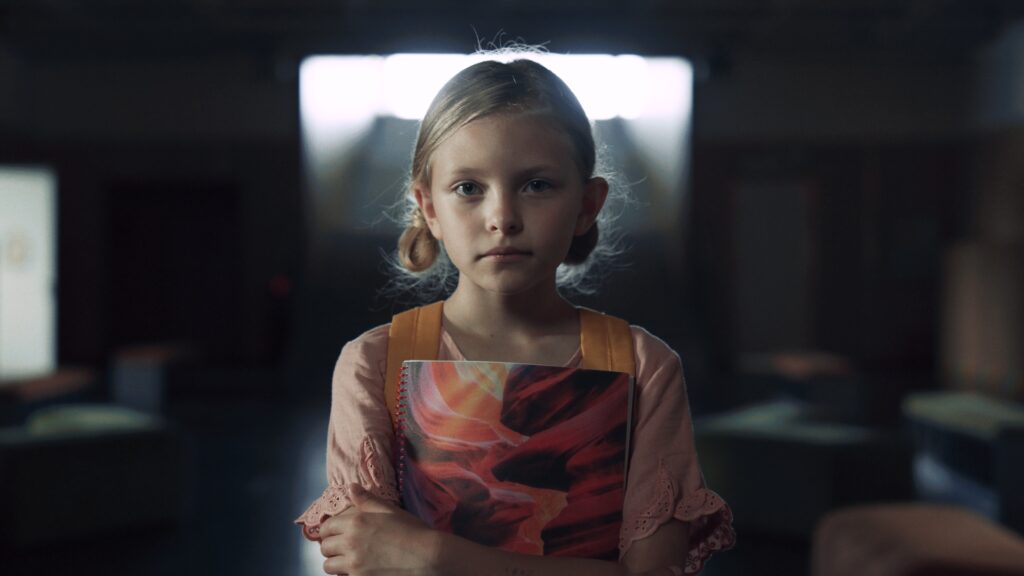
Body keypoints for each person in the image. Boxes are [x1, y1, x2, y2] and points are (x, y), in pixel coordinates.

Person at [295, 56, 735, 576]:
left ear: (587, 205)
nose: (502, 218)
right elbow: (368, 557)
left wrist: (436, 556)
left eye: (537, 185)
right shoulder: (373, 364)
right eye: (468, 188)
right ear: (430, 208)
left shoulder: (644, 365)